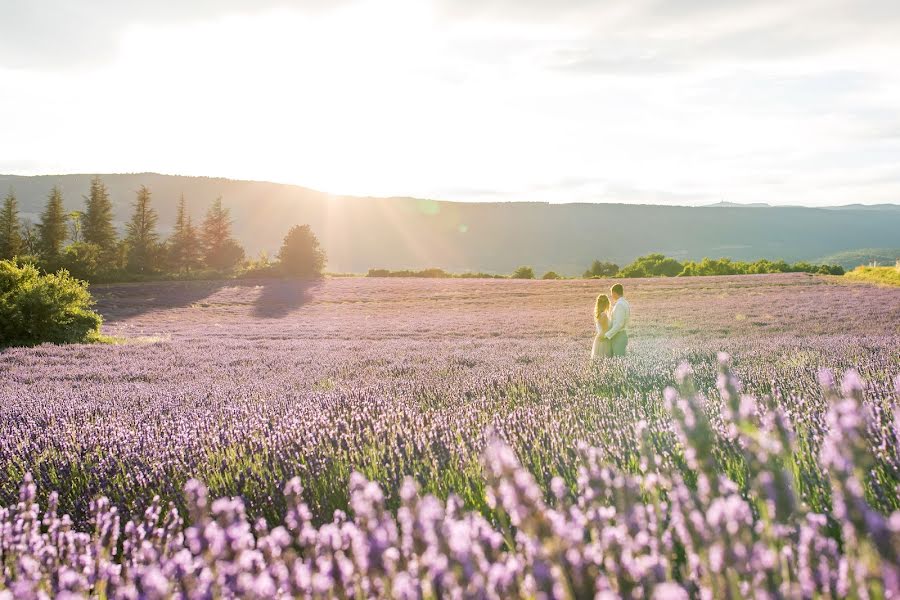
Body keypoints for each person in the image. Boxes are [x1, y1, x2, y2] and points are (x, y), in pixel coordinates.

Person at [604, 283, 630, 357]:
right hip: (621, 335)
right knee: (620, 360)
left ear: (614, 293)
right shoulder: (625, 302)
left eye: (611, 293)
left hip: (618, 337)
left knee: (619, 359)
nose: (611, 296)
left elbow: (619, 324)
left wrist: (607, 335)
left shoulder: (619, 305)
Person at [591, 294, 612, 360]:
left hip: (600, 338)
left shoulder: (599, 314)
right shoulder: (604, 315)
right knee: (605, 359)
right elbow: (605, 329)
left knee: (599, 361)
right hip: (603, 339)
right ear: (606, 304)